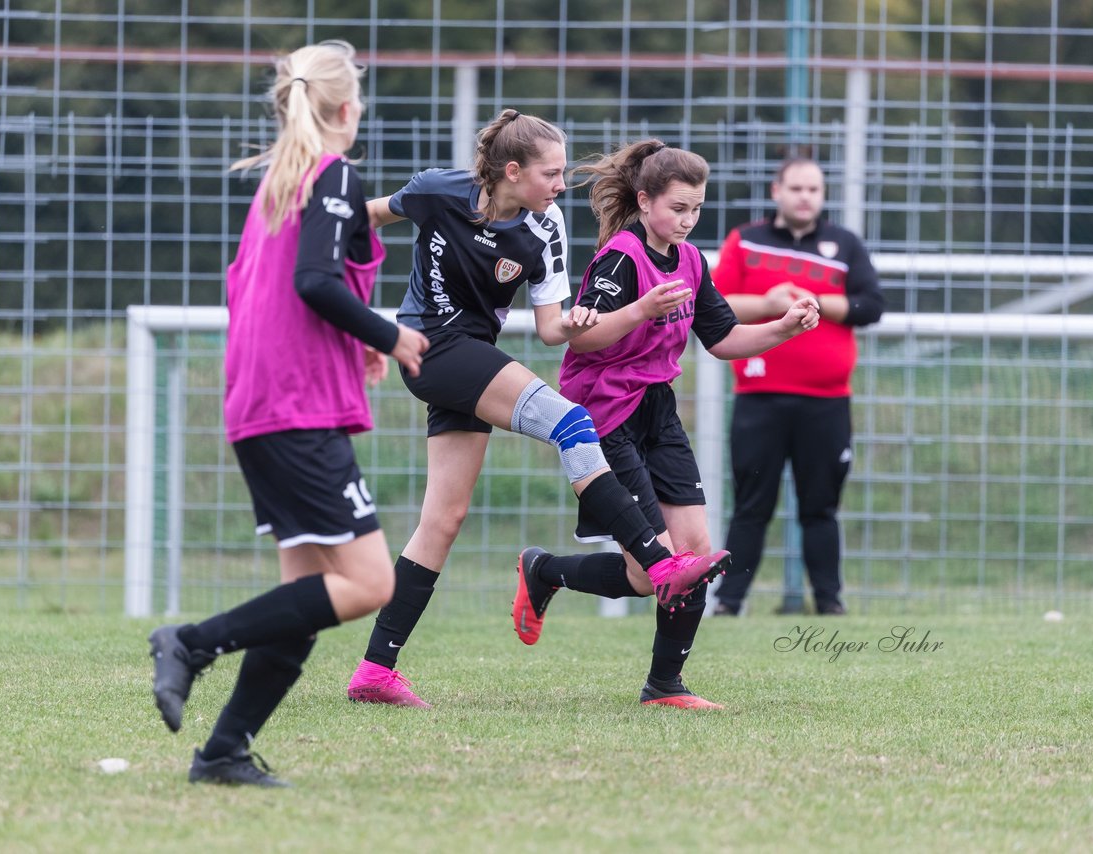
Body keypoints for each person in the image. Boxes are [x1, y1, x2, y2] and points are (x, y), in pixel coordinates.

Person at [345, 111, 734, 708]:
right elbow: (363, 219)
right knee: (571, 421)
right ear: (512, 170)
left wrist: (582, 321)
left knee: (442, 520)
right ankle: (659, 565)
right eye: (551, 173)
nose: (561, 184)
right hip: (432, 349)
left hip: (472, 361)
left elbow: (553, 330)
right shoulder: (435, 190)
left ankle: (375, 669)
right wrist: (339, 295)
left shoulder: (545, 225)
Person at [146, 41, 430, 787]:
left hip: (263, 402)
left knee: (304, 598)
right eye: (360, 95)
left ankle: (223, 753)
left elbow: (262, 289)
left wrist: (351, 343)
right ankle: (191, 642)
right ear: (346, 108)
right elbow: (315, 282)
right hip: (294, 406)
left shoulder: (283, 182)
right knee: (371, 583)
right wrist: (390, 335)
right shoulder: (331, 174)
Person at [508, 140, 819, 708]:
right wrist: (640, 310)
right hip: (605, 414)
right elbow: (583, 336)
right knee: (654, 565)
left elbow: (723, 340)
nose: (688, 219)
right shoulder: (622, 259)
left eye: (696, 209)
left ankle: (663, 684)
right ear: (645, 200)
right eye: (678, 208)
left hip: (657, 409)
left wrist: (785, 327)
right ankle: (546, 570)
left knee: (691, 553)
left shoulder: (694, 261)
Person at [710, 156, 885, 617]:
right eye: (797, 188)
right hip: (758, 399)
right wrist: (767, 303)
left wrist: (819, 303)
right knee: (751, 506)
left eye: (814, 189)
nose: (805, 197)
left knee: (820, 508)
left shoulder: (845, 244)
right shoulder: (745, 240)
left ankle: (829, 602)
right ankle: (729, 603)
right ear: (777, 191)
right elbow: (715, 303)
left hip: (827, 402)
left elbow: (871, 305)